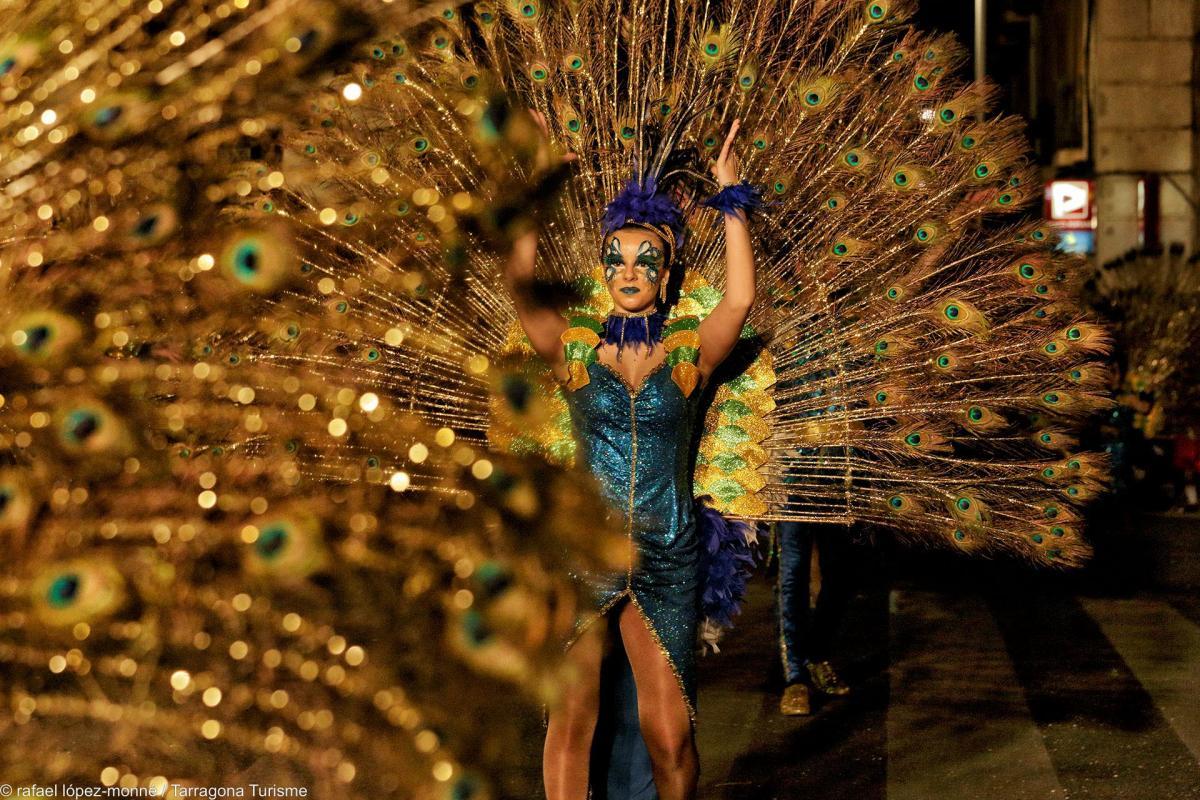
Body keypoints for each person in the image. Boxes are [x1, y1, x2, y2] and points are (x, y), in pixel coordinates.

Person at [503, 115, 757, 800]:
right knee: (571, 720)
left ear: (668, 274)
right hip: (586, 552)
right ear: (601, 271)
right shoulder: (574, 351)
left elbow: (739, 298)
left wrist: (730, 198)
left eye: (646, 259)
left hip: (668, 554)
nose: (630, 270)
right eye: (616, 258)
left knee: (672, 735)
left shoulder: (693, 353)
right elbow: (522, 285)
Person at [775, 520, 853, 716]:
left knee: (840, 570)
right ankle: (796, 677)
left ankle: (817, 656)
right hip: (791, 494)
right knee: (793, 571)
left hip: (837, 493)